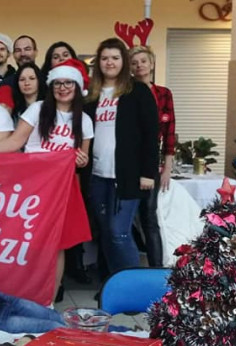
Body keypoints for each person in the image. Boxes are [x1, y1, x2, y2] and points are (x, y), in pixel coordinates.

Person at [0, 59, 94, 303]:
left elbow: (83, 160)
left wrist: (81, 160)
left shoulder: (84, 120)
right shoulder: (37, 109)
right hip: (34, 185)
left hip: (63, 189)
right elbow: (15, 142)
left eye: (68, 83)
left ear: (77, 87)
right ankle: (23, 293)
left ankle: (49, 300)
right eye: (58, 83)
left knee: (57, 245)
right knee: (27, 240)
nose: (63, 88)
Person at [83, 38, 159, 273]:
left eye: (115, 58)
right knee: (106, 232)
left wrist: (148, 173)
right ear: (98, 62)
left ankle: (133, 285)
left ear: (123, 61)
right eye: (105, 58)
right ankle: (114, 282)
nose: (110, 62)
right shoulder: (91, 95)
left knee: (119, 233)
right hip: (97, 176)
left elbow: (151, 134)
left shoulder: (138, 91)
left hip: (128, 176)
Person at [130, 45, 175, 268]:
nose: (139, 66)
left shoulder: (164, 94)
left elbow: (169, 132)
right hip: (127, 160)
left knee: (149, 215)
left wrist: (167, 167)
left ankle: (156, 268)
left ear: (152, 64)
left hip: (151, 161)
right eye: (134, 62)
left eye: (143, 61)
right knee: (126, 217)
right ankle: (126, 267)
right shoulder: (125, 93)